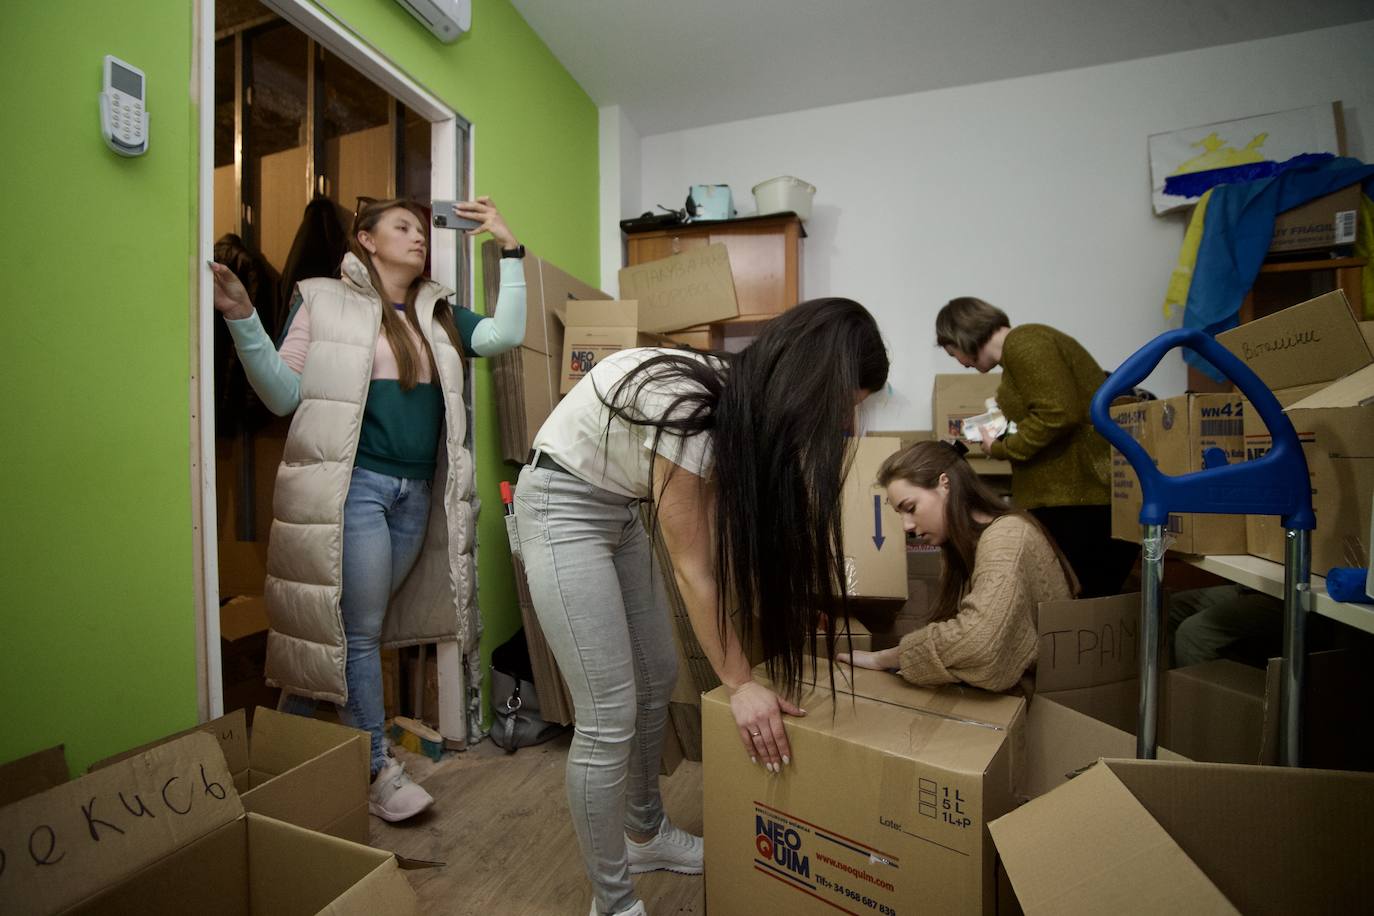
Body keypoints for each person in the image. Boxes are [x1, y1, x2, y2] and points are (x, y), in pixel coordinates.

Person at [513, 298, 889, 916]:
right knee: (608, 715)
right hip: (560, 505)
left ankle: (644, 834)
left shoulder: (734, 405)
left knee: (657, 675)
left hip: (617, 509)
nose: (842, 424)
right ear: (811, 382)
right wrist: (740, 684)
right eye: (845, 405)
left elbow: (736, 540)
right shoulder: (688, 406)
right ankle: (611, 901)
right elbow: (695, 568)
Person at [210, 197, 527, 822]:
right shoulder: (321, 298)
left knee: (359, 629)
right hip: (356, 491)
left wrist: (506, 244)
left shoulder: (438, 313)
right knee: (358, 633)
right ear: (366, 239)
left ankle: (283, 750)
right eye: (401, 228)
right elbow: (280, 394)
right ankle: (377, 767)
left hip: (415, 499)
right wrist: (245, 318)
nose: (418, 238)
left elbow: (505, 334)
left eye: (420, 229)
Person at [935, 297, 1136, 598]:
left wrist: (1001, 449)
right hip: (1069, 499)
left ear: (962, 335)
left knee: (1082, 606)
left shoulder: (1026, 342)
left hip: (1079, 501)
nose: (963, 363)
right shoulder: (1018, 355)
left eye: (955, 354)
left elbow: (1057, 413)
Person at [839, 441, 1076, 692]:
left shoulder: (1006, 537)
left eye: (910, 508)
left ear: (945, 484)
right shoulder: (966, 544)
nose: (906, 526)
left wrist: (885, 658)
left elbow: (977, 642)